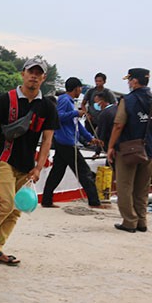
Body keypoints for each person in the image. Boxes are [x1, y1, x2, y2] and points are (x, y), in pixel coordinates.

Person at [0, 57, 59, 265]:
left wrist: (39, 167)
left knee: (15, 210)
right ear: (23, 73)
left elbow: (47, 140)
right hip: (3, 159)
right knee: (6, 203)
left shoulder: (47, 106)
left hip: (27, 165)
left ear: (44, 78)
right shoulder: (7, 99)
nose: (34, 76)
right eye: (31, 72)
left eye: (38, 73)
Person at [41, 77, 107, 208]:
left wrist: (90, 138)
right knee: (84, 171)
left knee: (57, 172)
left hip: (64, 140)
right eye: (80, 88)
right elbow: (58, 117)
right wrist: (75, 112)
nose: (80, 90)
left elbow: (77, 125)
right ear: (76, 88)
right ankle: (94, 201)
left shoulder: (70, 102)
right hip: (66, 141)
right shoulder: (65, 100)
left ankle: (46, 200)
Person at [107, 68, 152, 233]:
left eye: (129, 80)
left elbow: (119, 125)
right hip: (149, 150)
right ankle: (142, 221)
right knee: (142, 188)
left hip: (128, 149)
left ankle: (129, 221)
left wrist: (111, 146)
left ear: (134, 81)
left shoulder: (128, 100)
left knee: (125, 187)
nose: (128, 83)